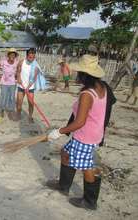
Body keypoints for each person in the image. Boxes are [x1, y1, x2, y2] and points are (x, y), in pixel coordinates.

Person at [46, 55, 114, 210]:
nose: (77, 74)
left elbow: (79, 122)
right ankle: (63, 186)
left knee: (86, 168)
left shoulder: (87, 94)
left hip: (85, 136)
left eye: (79, 72)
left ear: (84, 75)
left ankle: (90, 201)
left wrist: (58, 132)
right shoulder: (102, 87)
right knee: (65, 153)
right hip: (93, 132)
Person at [16, 48, 41, 122]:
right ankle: (18, 114)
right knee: (19, 103)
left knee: (31, 103)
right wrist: (18, 78)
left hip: (30, 88)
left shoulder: (36, 66)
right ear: (27, 56)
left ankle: (30, 116)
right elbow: (18, 71)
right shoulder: (21, 62)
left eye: (33, 57)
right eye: (30, 57)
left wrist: (28, 87)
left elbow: (34, 79)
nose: (32, 59)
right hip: (21, 86)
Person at [0, 48, 19, 119]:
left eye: (14, 55)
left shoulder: (16, 63)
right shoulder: (3, 62)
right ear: (8, 55)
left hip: (13, 83)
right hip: (4, 83)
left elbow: (18, 71)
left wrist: (17, 76)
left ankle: (10, 111)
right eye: (11, 54)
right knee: (4, 97)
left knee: (12, 98)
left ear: (15, 56)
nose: (12, 56)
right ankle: (2, 110)